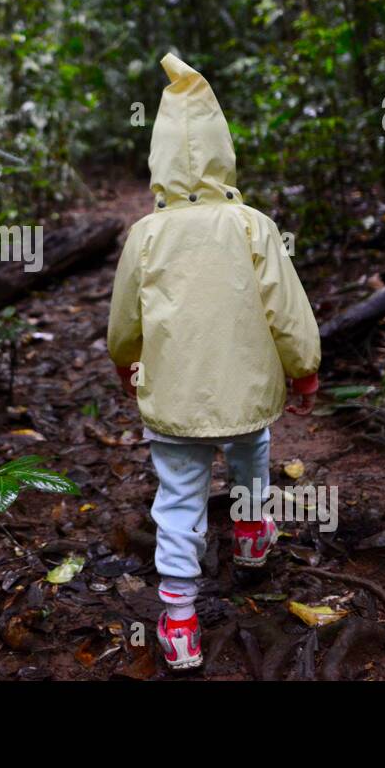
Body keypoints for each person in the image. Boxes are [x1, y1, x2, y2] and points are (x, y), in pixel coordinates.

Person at [107, 53, 321, 671]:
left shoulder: (146, 235)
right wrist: (302, 367)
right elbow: (286, 306)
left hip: (174, 398)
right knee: (253, 456)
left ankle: (178, 618)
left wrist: (127, 361)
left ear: (160, 158)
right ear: (224, 150)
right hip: (245, 393)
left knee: (177, 500)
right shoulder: (253, 226)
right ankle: (252, 537)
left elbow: (126, 317)